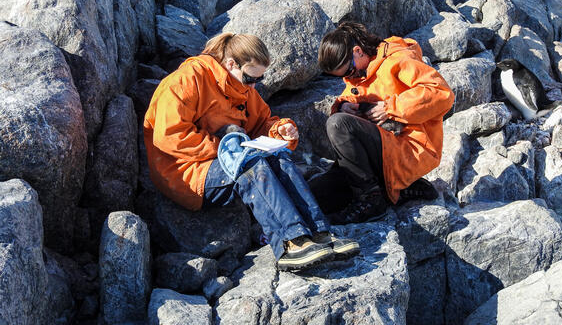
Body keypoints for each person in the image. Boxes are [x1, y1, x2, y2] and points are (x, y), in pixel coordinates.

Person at [143, 32, 359, 272]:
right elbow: (169, 136)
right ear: (231, 64)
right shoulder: (187, 80)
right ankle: (290, 243)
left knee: (279, 157)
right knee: (250, 165)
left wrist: (280, 131)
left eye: (259, 79)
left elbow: (262, 123)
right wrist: (225, 148)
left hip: (221, 159)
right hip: (184, 171)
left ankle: (320, 233)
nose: (254, 85)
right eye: (250, 78)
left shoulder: (242, 88)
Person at [315, 22, 455, 224]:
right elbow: (354, 93)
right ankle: (397, 189)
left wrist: (391, 108)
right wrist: (343, 105)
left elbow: (441, 93)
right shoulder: (362, 70)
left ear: (358, 51)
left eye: (349, 72)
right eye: (344, 76)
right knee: (316, 197)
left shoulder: (398, 59)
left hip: (410, 149)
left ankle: (372, 200)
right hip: (382, 151)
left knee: (337, 125)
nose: (350, 77)